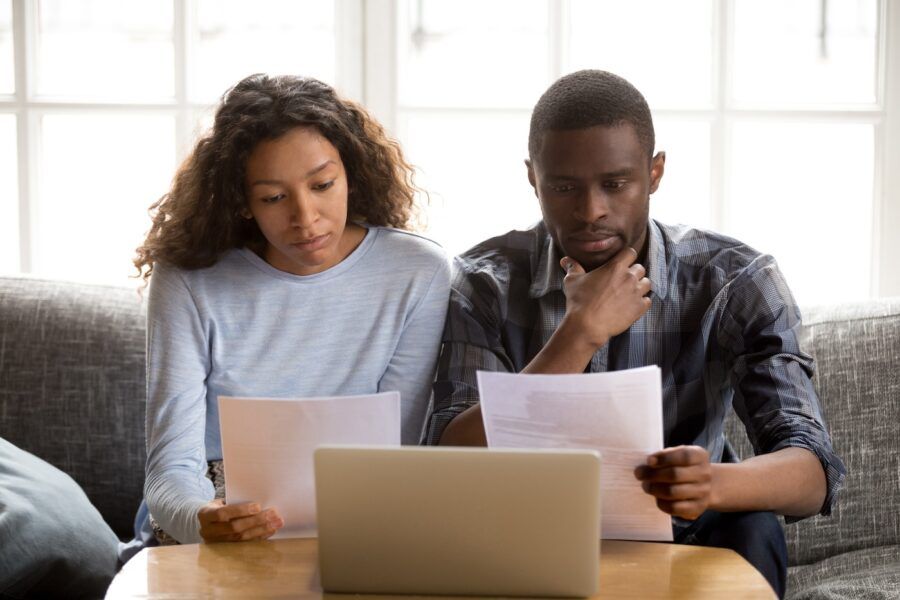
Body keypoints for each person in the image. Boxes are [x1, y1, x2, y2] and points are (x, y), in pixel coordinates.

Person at [424, 70, 845, 599]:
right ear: (533, 178)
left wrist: (712, 483)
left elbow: (813, 472)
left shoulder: (734, 280)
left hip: (688, 532)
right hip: (526, 539)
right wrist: (579, 335)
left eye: (615, 184)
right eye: (563, 187)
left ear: (655, 172)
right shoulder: (484, 282)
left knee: (754, 525)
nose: (591, 210)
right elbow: (445, 461)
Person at [129, 74, 450, 552]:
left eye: (322, 184)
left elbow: (396, 448)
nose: (306, 217)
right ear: (242, 202)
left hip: (355, 499)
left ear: (352, 174)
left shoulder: (418, 272)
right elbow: (170, 471)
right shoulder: (188, 279)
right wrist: (203, 521)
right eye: (273, 198)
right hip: (210, 508)